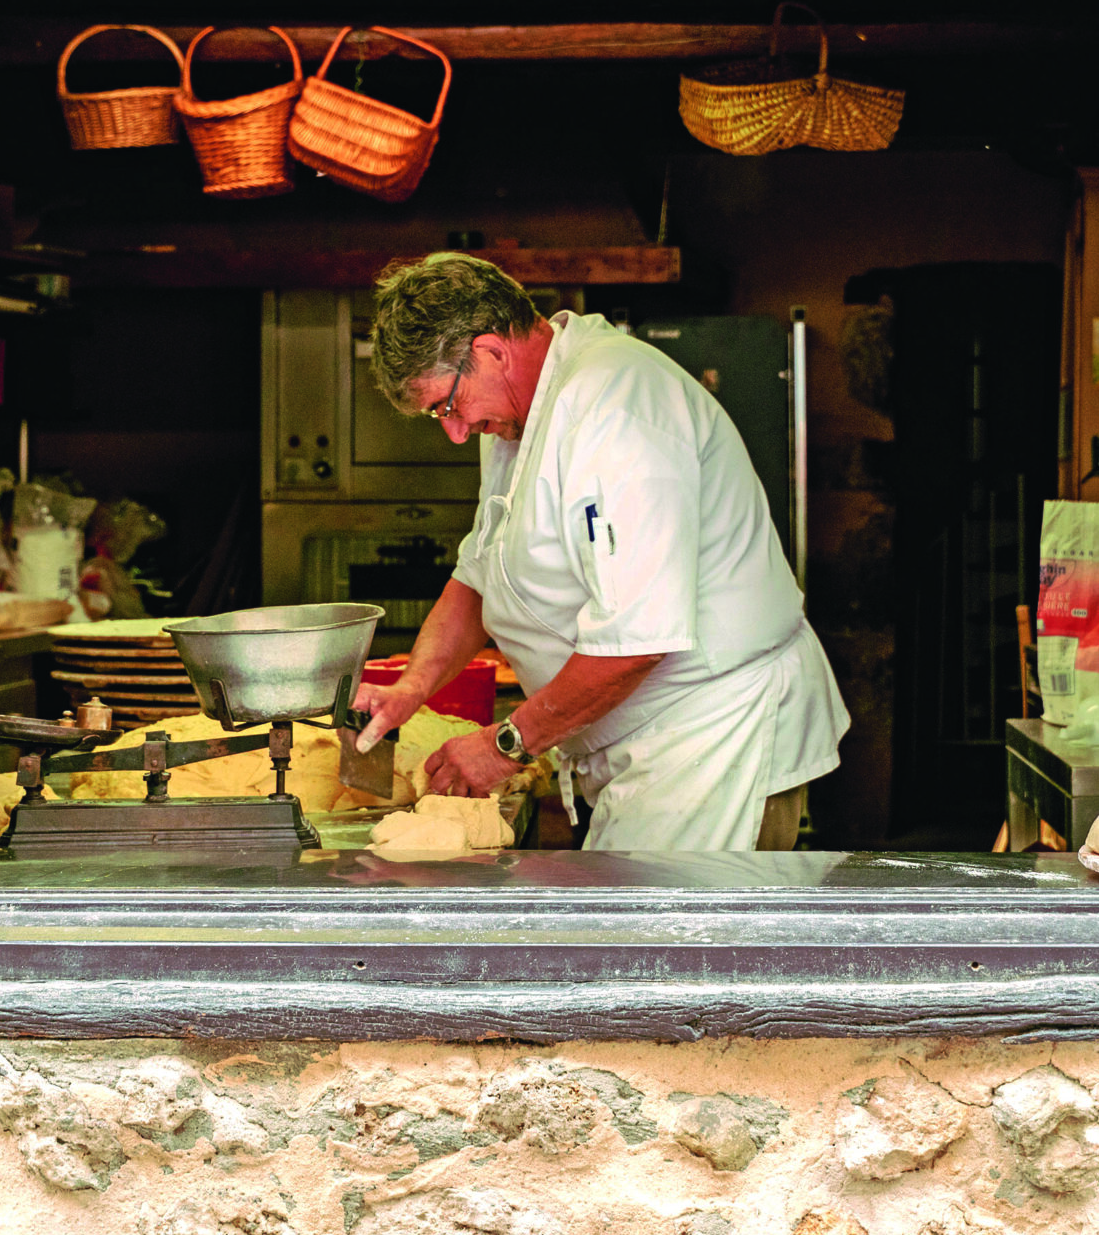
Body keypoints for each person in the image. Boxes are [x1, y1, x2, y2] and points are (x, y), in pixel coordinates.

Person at [347, 254, 847, 851]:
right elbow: (479, 578)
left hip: (709, 735)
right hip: (641, 742)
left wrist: (507, 743)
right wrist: (411, 687)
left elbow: (636, 641)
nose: (454, 432)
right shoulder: (520, 414)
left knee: (657, 943)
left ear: (492, 352)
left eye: (447, 406)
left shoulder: (617, 409)